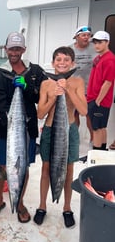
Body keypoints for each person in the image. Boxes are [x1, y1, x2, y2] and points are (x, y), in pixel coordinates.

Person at [0, 32, 47, 223]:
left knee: (23, 167)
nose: (14, 52)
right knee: (2, 167)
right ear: (6, 49)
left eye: (18, 48)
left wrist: (27, 86)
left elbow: (39, 97)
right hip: (5, 131)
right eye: (11, 48)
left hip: (27, 130)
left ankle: (19, 203)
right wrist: (11, 125)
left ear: (23, 50)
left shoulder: (35, 71)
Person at [33, 46, 87, 228]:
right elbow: (40, 114)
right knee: (46, 169)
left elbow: (84, 110)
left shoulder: (78, 82)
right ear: (53, 63)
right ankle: (42, 206)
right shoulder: (46, 84)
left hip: (69, 130)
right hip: (50, 130)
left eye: (66, 60)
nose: (62, 63)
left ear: (72, 63)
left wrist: (67, 89)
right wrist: (55, 96)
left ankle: (66, 207)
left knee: (69, 170)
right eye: (58, 59)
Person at [87, 31, 115, 151]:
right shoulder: (99, 58)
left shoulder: (109, 59)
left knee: (96, 128)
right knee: (102, 126)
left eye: (100, 42)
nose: (97, 45)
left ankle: (97, 154)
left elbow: (108, 82)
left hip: (100, 100)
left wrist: (97, 101)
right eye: (95, 42)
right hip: (94, 98)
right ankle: (103, 151)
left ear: (107, 42)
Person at [70, 26, 97, 142]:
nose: (86, 37)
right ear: (76, 37)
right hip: (74, 87)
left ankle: (93, 138)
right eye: (83, 35)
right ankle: (74, 137)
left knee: (89, 114)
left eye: (88, 35)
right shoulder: (69, 49)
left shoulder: (95, 48)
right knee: (74, 113)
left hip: (90, 87)